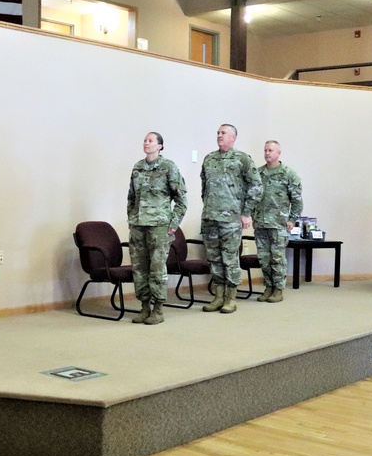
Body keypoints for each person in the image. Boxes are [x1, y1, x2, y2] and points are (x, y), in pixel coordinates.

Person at [200, 124, 262, 314]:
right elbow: (204, 186)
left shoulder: (242, 159)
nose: (219, 135)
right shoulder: (209, 159)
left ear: (233, 138)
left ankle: (231, 298)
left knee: (230, 259)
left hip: (230, 219)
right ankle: (218, 297)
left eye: (223, 133)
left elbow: (256, 186)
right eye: (218, 132)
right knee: (214, 259)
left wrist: (246, 212)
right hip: (210, 217)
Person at [127, 132, 187, 325]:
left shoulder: (168, 167)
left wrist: (173, 225)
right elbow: (131, 197)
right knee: (139, 268)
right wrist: (131, 218)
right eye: (145, 140)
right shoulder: (138, 168)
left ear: (160, 146)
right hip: (138, 226)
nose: (147, 143)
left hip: (159, 227)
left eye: (151, 141)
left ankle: (158, 309)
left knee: (157, 268)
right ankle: (144, 307)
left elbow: (181, 199)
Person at [253, 140, 303, 303]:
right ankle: (268, 287)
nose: (267, 153)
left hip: (279, 223)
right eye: (266, 150)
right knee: (264, 258)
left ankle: (278, 289)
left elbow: (296, 200)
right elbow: (251, 196)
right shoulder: (258, 174)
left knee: (277, 258)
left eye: (271, 150)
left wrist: (292, 219)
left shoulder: (288, 174)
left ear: (278, 153)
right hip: (261, 223)